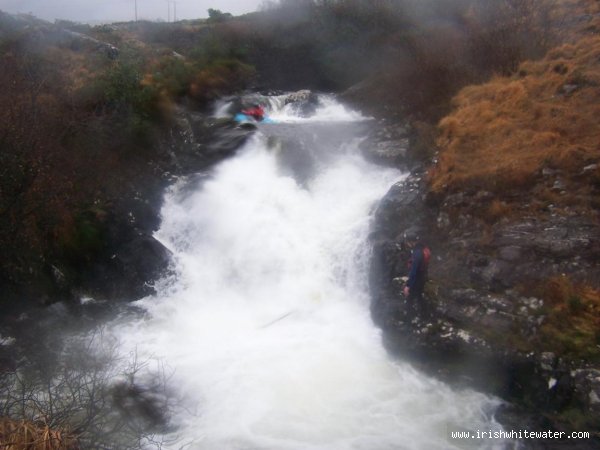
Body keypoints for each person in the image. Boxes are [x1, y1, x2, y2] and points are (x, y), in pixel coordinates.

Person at [402, 229, 430, 311]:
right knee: (419, 298)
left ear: (411, 242)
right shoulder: (422, 248)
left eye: (407, 242)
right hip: (423, 277)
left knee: (409, 301)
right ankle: (424, 317)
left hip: (417, 280)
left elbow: (413, 271)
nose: (406, 244)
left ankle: (408, 322)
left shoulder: (417, 253)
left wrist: (408, 286)